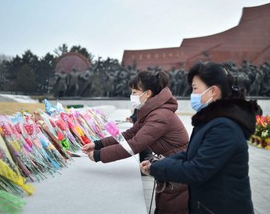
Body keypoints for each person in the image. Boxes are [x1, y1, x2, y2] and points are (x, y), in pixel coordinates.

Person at [141, 61, 260, 214]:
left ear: (213, 91)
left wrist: (156, 168)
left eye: (195, 88)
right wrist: (159, 163)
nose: (192, 94)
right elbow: (190, 154)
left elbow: (197, 170)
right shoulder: (210, 120)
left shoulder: (224, 127)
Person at [82, 70, 189, 214]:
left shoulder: (159, 115)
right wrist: (98, 144)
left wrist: (99, 155)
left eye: (134, 92)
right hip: (170, 165)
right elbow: (129, 134)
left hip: (178, 169)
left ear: (148, 93)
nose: (132, 96)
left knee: (170, 208)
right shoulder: (151, 112)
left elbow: (134, 145)